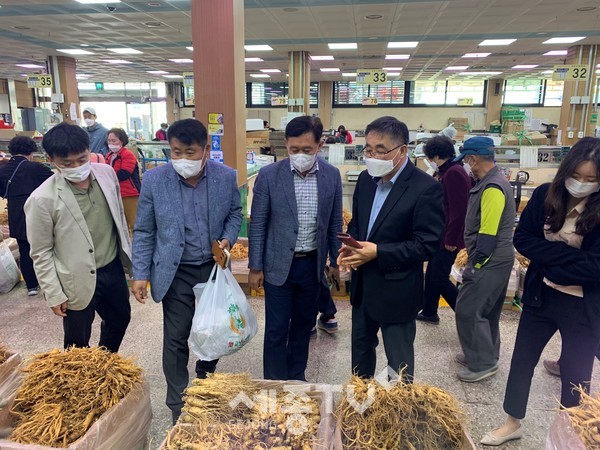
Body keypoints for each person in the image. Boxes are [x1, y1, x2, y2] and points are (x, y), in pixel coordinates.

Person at [481, 137, 600, 446]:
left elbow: (596, 266)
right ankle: (512, 422)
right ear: (566, 172)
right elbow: (524, 240)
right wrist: (565, 263)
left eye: (591, 180)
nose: (581, 184)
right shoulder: (546, 196)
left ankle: (570, 434)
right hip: (541, 295)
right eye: (577, 177)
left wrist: (552, 260)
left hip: (582, 305)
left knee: (576, 375)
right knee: (522, 360)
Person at [131, 118, 242, 424]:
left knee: (214, 330)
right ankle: (178, 404)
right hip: (175, 270)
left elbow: (235, 213)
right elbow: (144, 230)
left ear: (207, 149)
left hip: (212, 268)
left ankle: (206, 374)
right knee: (176, 337)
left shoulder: (226, 176)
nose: (182, 160)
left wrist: (227, 239)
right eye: (175, 152)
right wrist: (140, 272)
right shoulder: (155, 181)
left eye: (189, 152)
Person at [337, 116, 444, 381]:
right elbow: (358, 225)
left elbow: (426, 244)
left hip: (397, 291)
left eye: (381, 150)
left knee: (399, 364)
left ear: (402, 151)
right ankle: (360, 407)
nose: (373, 156)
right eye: (368, 149)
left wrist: (378, 252)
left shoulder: (425, 189)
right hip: (363, 288)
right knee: (360, 356)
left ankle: (396, 414)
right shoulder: (365, 180)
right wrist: (351, 246)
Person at [248, 116, 342, 381]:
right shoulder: (268, 176)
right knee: (277, 328)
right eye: (293, 150)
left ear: (319, 145)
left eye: (307, 150)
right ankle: (275, 381)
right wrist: (255, 266)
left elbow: (335, 221)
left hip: (311, 265)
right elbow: (258, 224)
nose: (300, 155)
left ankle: (296, 376)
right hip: (277, 266)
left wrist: (335, 261)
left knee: (303, 326)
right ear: (285, 147)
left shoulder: (331, 176)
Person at [24, 122, 132, 352]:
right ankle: (79, 382)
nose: (77, 167)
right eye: (67, 163)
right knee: (77, 340)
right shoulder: (42, 199)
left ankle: (104, 365)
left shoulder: (106, 174)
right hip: (73, 277)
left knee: (119, 319)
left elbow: (119, 217)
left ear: (89, 151)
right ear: (51, 161)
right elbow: (41, 252)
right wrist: (53, 293)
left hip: (111, 268)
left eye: (82, 159)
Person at [453, 137, 516, 383]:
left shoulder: (492, 188)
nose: (467, 165)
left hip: (490, 258)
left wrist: (475, 266)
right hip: (497, 258)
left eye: (467, 160)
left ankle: (482, 364)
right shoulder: (492, 181)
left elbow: (487, 234)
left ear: (474, 159)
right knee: (487, 310)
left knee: (468, 309)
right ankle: (484, 354)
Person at [417, 135, 471, 323]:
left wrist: (451, 240)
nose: (430, 162)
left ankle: (466, 315)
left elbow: (458, 210)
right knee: (432, 274)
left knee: (438, 277)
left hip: (449, 237)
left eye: (430, 158)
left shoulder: (453, 173)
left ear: (437, 156)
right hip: (442, 234)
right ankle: (429, 311)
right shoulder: (448, 171)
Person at [0, 136, 53, 295]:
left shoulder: (2, 170)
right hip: (37, 208)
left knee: (24, 249)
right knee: (45, 246)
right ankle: (50, 281)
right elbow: (55, 183)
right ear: (30, 151)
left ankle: (31, 286)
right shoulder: (36, 168)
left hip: (15, 210)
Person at [105, 128, 141, 234]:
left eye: (114, 140)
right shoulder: (109, 155)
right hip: (115, 193)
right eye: (109, 141)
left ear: (121, 141)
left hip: (130, 193)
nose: (111, 143)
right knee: (122, 223)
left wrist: (108, 176)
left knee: (133, 223)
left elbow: (124, 173)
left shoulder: (128, 154)